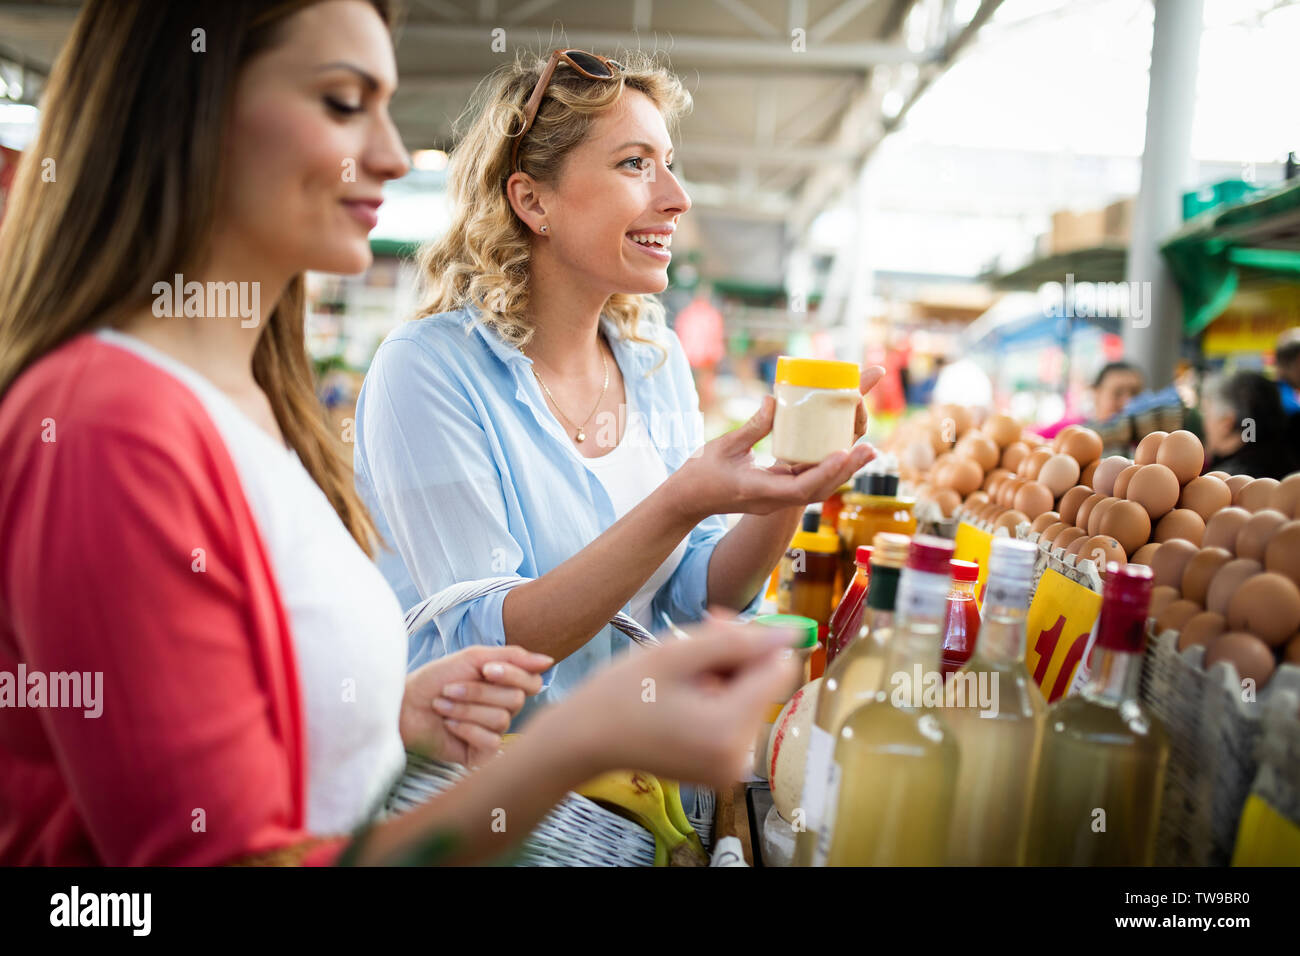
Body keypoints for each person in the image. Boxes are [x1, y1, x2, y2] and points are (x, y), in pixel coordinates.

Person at [0, 0, 797, 866]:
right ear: (191, 114)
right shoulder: (110, 428)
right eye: (344, 103)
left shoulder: (260, 400)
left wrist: (397, 709)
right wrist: (576, 741)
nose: (388, 153)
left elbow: (262, 720)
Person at [352, 49, 881, 721]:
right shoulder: (426, 370)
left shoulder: (652, 359)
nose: (676, 197)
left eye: (669, 164)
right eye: (635, 164)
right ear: (532, 199)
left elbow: (701, 595)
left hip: (631, 782)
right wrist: (679, 503)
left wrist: (791, 483)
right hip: (489, 797)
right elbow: (489, 640)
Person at [1202, 369, 1300, 479]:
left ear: (1227, 422)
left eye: (1206, 412)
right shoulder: (1287, 459)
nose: (1204, 422)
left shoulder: (1229, 482)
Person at [1035, 360, 1145, 440]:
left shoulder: (1144, 440)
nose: (1127, 402)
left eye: (1135, 393)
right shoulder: (1068, 431)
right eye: (1117, 393)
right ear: (1096, 393)